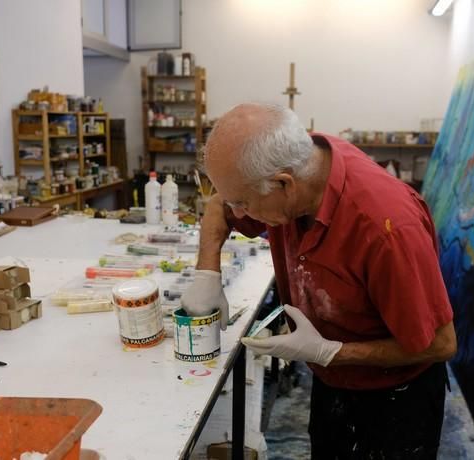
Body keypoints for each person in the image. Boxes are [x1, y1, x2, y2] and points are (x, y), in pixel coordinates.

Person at [180, 103, 457, 459]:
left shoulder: (386, 228)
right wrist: (207, 272)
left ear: (284, 184)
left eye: (243, 204)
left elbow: (440, 343)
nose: (237, 213)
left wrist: (328, 352)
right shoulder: (298, 161)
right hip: (332, 381)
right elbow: (219, 203)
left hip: (396, 396)